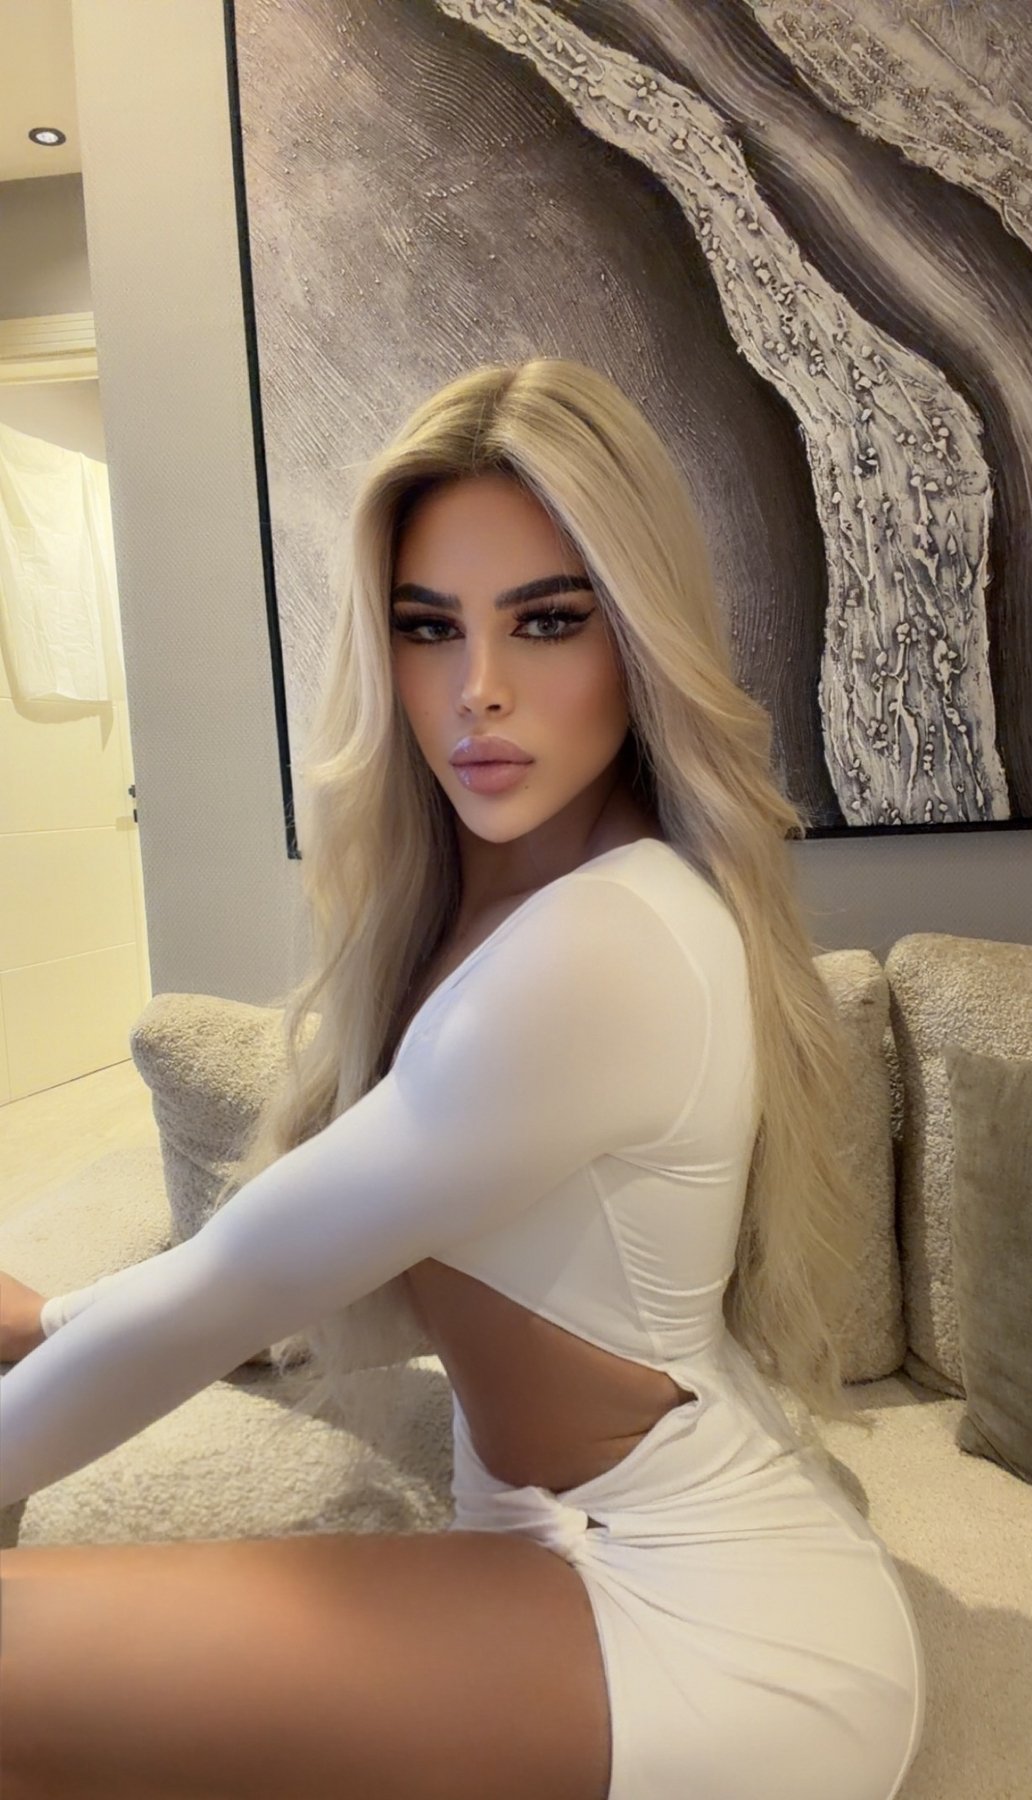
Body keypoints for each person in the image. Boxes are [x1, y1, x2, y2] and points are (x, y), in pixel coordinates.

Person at [0, 358, 925, 1800]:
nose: (477, 689)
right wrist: (47, 1320)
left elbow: (222, 1292)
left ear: (637, 637)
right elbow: (294, 1256)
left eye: (547, 620)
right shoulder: (479, 912)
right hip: (566, 1543)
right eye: (428, 627)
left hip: (704, 1626)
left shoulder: (599, 947)